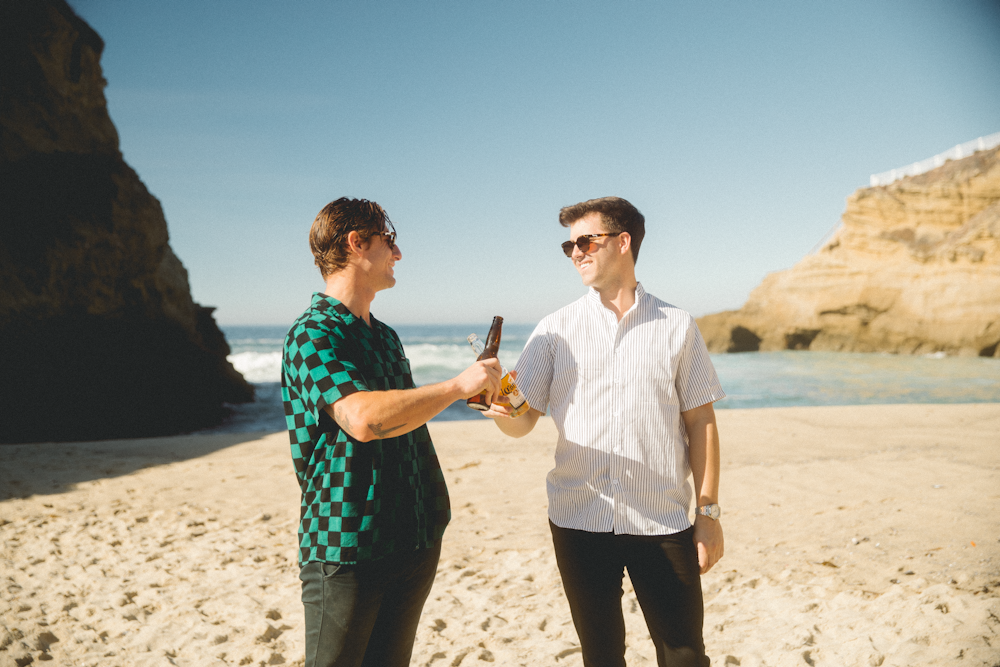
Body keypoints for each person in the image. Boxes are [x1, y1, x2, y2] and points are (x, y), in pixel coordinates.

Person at [487, 196, 726, 667]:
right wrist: (498, 402)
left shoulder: (677, 326)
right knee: (600, 655)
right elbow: (523, 421)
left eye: (585, 240)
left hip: (663, 519)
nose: (575, 252)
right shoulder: (554, 329)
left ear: (623, 242)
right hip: (579, 520)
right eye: (568, 245)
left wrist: (709, 511)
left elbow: (701, 422)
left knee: (684, 652)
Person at [281, 197, 503, 667]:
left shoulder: (384, 335)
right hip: (347, 545)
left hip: (414, 535)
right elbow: (364, 419)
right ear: (356, 243)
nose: (398, 255)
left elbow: (403, 414)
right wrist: (458, 385)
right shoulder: (312, 332)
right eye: (391, 242)